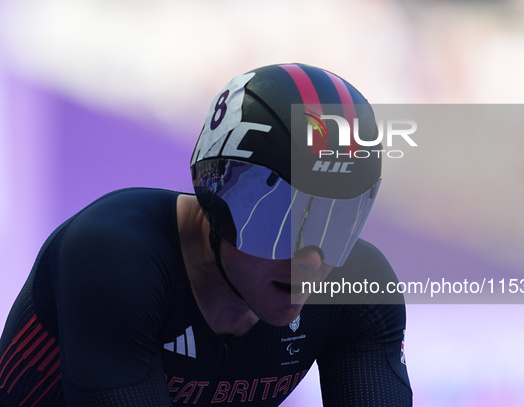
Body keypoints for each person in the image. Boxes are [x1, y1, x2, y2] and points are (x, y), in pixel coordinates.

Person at [0, 63, 412, 406]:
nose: (311, 260)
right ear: (216, 197)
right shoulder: (113, 256)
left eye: (337, 222)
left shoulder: (359, 291)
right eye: (282, 221)